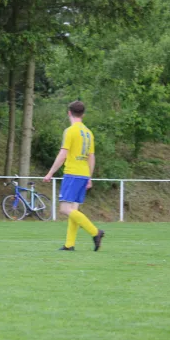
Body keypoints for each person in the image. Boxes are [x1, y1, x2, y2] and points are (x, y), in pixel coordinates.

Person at [43, 101, 104, 251]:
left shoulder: (70, 131)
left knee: (64, 209)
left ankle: (95, 232)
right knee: (73, 209)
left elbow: (63, 153)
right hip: (83, 174)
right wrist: (89, 176)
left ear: (69, 112)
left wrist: (50, 173)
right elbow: (91, 157)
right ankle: (69, 244)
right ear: (83, 114)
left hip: (72, 173)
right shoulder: (88, 133)